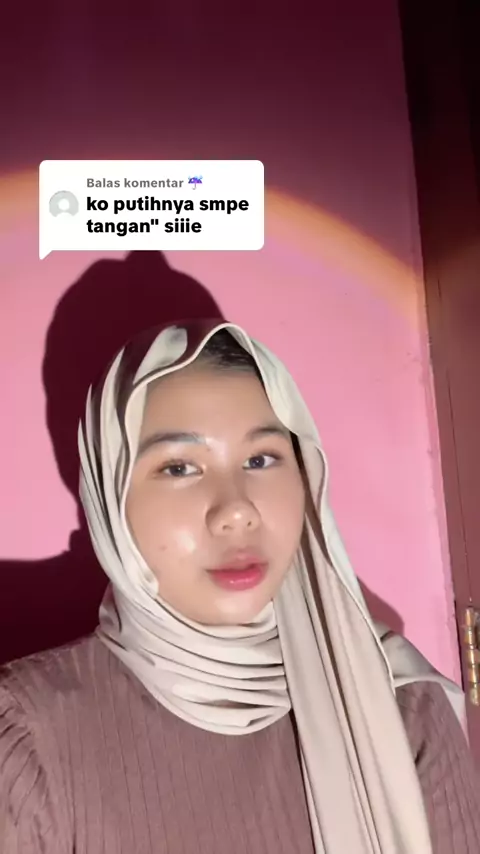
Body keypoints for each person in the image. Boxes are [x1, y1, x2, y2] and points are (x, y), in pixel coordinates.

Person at [0, 319, 479, 854]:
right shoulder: (28, 735)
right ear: (109, 497)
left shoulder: (403, 705)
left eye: (260, 459)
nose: (237, 510)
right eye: (179, 467)